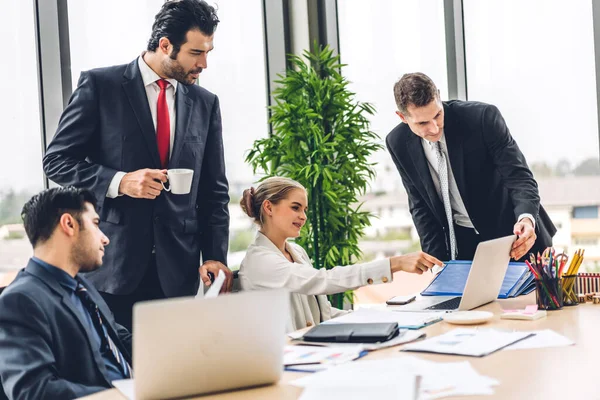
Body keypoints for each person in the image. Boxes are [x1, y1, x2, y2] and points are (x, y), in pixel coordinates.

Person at [42, 0, 232, 331]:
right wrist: (120, 181)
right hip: (113, 268)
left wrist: (215, 255)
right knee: (118, 374)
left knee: (176, 374)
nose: (203, 63)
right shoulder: (101, 87)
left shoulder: (205, 103)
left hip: (179, 274)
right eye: (196, 53)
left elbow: (214, 190)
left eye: (208, 52)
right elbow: (56, 160)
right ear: (165, 45)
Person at [386, 73, 556, 262]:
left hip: (516, 237)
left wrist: (526, 218)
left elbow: (519, 177)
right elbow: (420, 206)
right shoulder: (398, 143)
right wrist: (436, 264)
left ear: (439, 98)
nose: (434, 128)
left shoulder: (482, 118)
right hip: (465, 247)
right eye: (423, 123)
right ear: (402, 117)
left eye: (437, 115)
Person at [238, 177, 443, 331]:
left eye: (305, 209)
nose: (303, 216)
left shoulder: (296, 252)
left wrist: (383, 315)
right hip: (282, 360)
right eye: (295, 208)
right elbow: (323, 280)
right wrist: (394, 264)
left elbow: (323, 314)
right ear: (268, 207)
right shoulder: (259, 261)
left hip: (310, 351)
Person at [0, 187, 132, 400]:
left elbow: (117, 338)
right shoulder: (19, 301)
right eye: (96, 224)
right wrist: (121, 396)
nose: (105, 238)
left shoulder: (82, 286)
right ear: (69, 224)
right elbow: (34, 391)